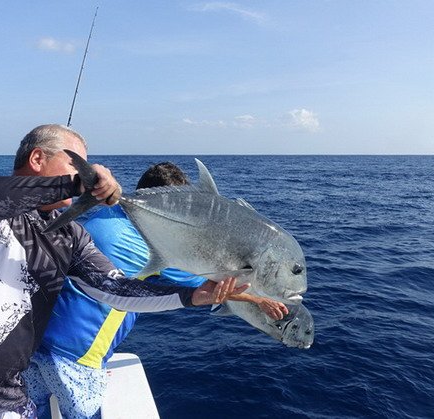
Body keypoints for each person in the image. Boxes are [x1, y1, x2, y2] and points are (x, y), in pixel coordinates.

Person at [0, 124, 248, 419]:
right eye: (76, 160)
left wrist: (192, 296)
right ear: (37, 159)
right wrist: (73, 186)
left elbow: (115, 288)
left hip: (3, 403)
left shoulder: (70, 234)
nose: (85, 170)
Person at [24, 162, 290, 419]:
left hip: (33, 339)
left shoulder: (97, 216)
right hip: (79, 351)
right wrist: (258, 299)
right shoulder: (151, 245)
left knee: (35, 409)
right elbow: (204, 287)